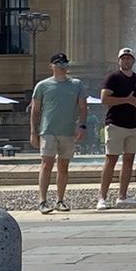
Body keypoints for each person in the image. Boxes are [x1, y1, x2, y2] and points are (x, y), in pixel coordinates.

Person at [30, 51, 88, 214]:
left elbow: (83, 107)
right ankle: (42, 201)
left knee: (63, 166)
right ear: (51, 67)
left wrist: (82, 126)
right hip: (48, 130)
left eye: (64, 64)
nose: (63, 67)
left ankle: (60, 200)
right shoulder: (42, 85)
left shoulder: (77, 84)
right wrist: (33, 132)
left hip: (68, 131)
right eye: (59, 64)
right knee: (46, 164)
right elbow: (35, 110)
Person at [98, 47, 136, 210]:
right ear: (119, 61)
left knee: (129, 160)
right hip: (115, 123)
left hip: (133, 124)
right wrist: (126, 100)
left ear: (133, 61)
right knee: (111, 160)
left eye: (128, 58)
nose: (126, 60)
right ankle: (102, 197)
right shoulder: (112, 78)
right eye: (123, 58)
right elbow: (104, 99)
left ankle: (122, 196)